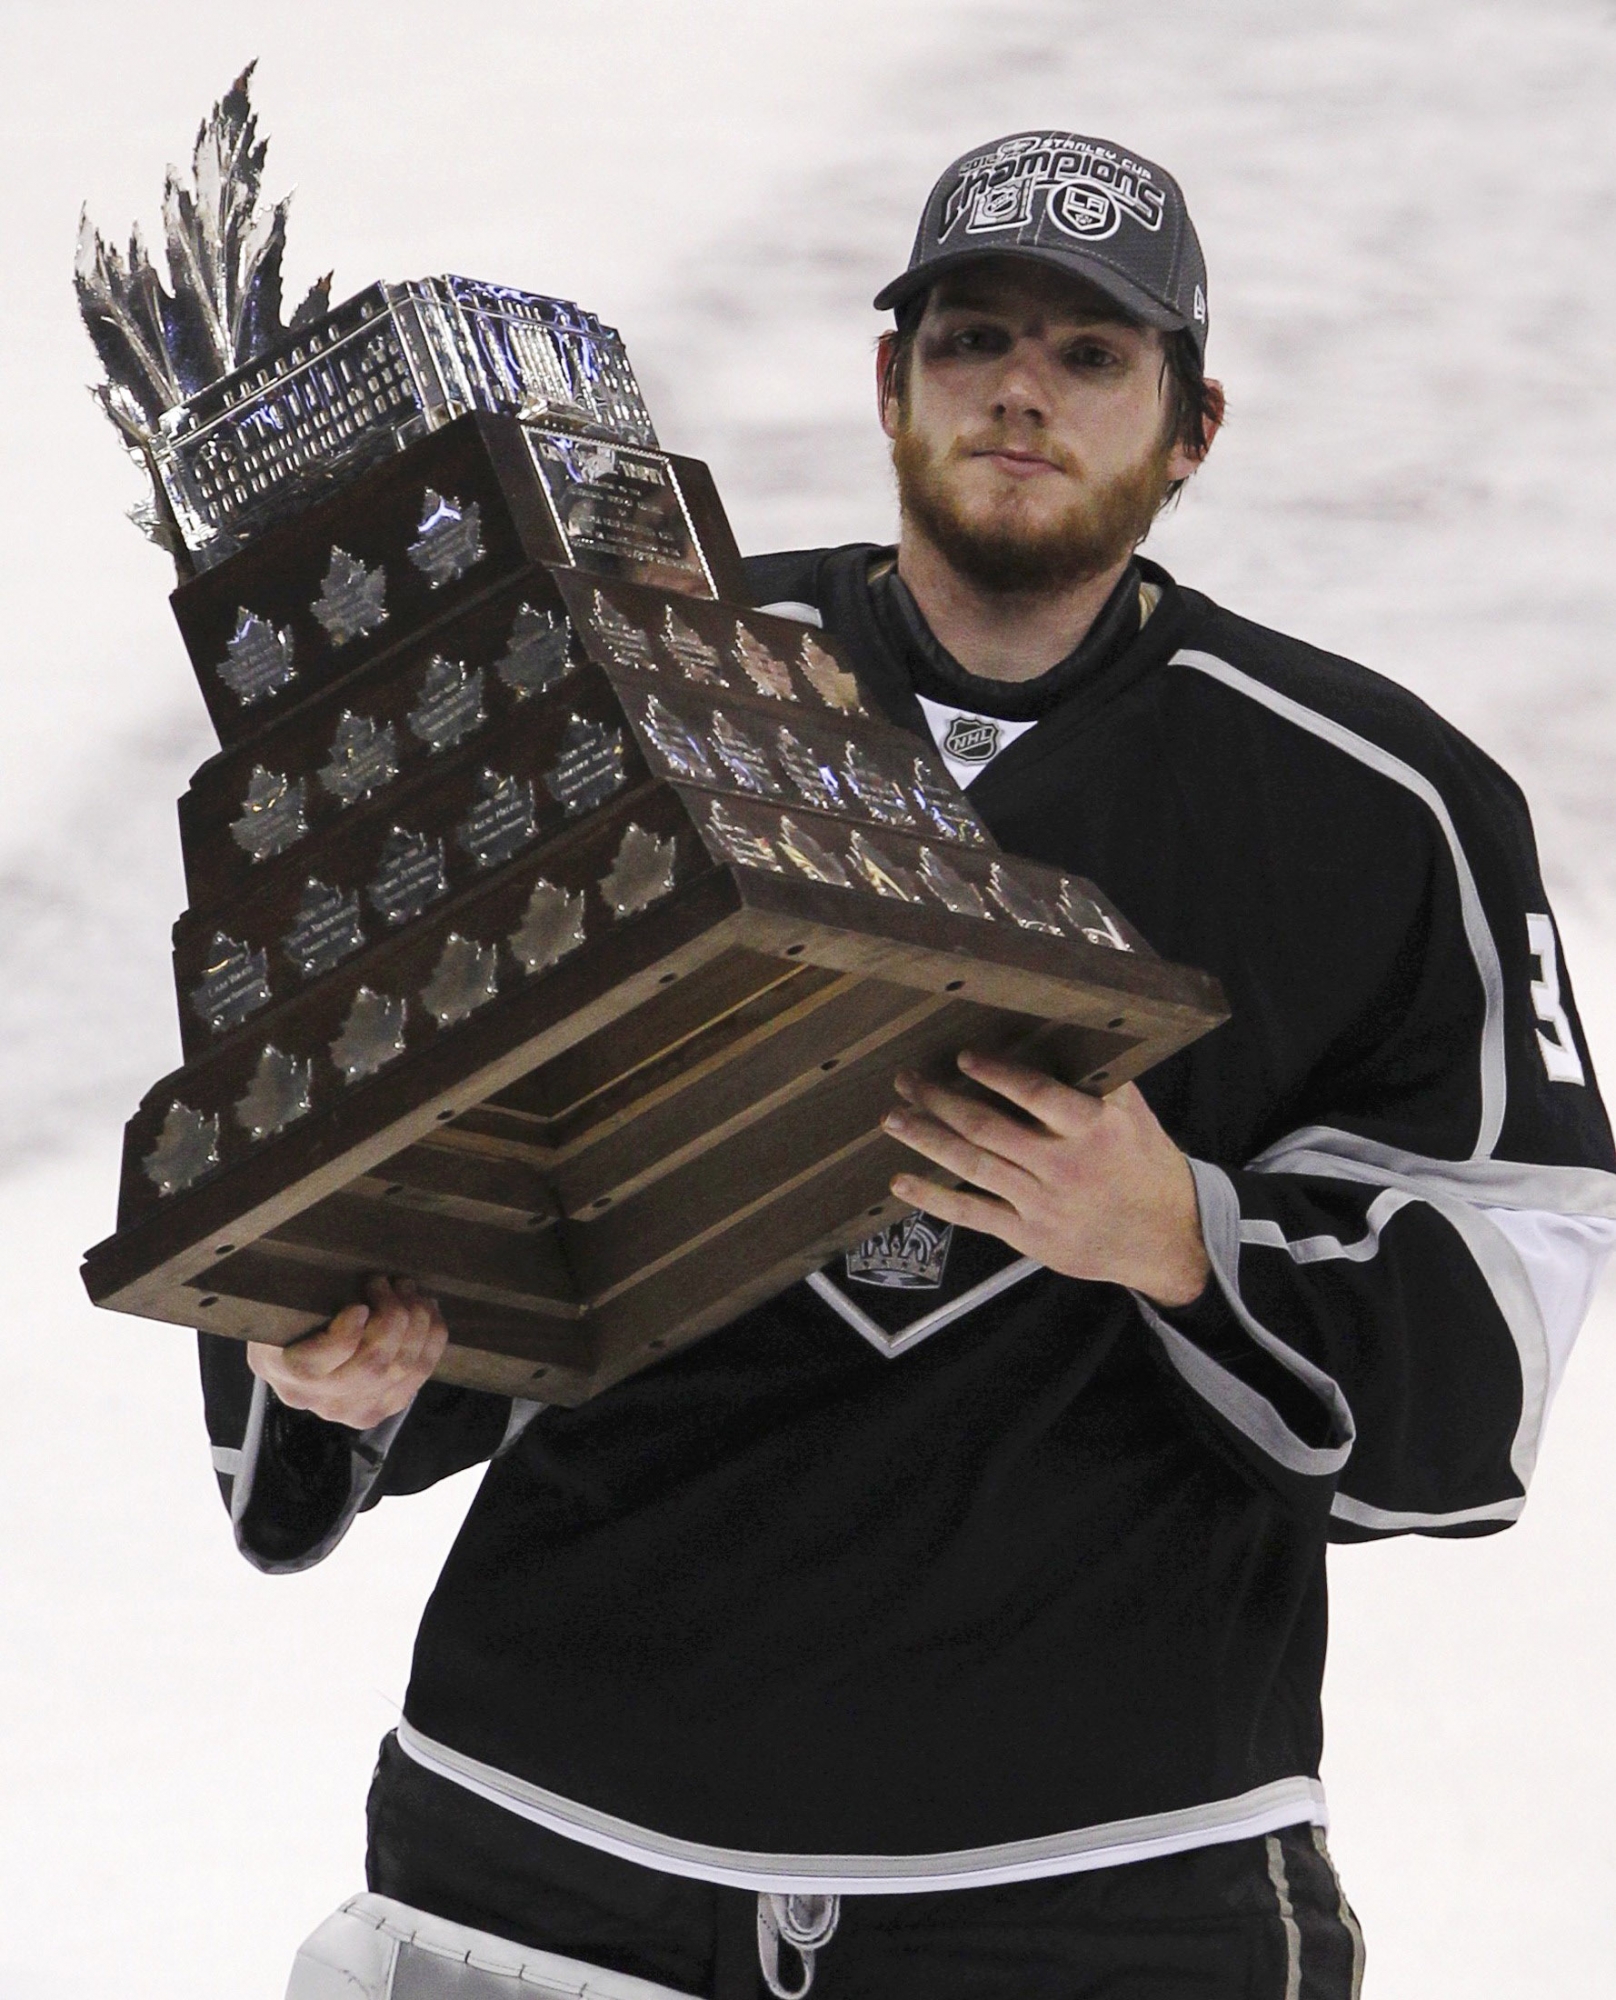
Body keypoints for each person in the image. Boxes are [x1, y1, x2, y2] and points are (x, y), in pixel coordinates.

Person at [203, 130, 1616, 2000]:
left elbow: (1489, 1368)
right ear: (890, 383)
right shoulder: (618, 683)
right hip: (549, 1867)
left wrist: (1182, 1235)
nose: (1021, 389)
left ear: (1194, 427)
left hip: (1103, 1899)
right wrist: (340, 1376)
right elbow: (382, 1134)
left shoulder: (1380, 809)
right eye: (970, 339)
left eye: (1093, 355)